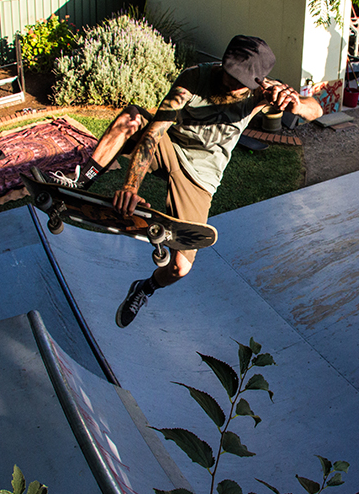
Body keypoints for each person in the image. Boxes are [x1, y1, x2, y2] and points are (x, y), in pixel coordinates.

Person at [43, 35, 324, 328]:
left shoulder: (264, 94)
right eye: (228, 74)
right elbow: (154, 132)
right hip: (170, 147)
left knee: (180, 268)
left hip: (202, 176)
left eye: (238, 83)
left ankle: (144, 288)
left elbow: (315, 109)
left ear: (255, 83)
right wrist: (130, 186)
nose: (229, 84)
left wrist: (296, 105)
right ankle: (81, 183)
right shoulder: (194, 77)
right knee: (132, 118)